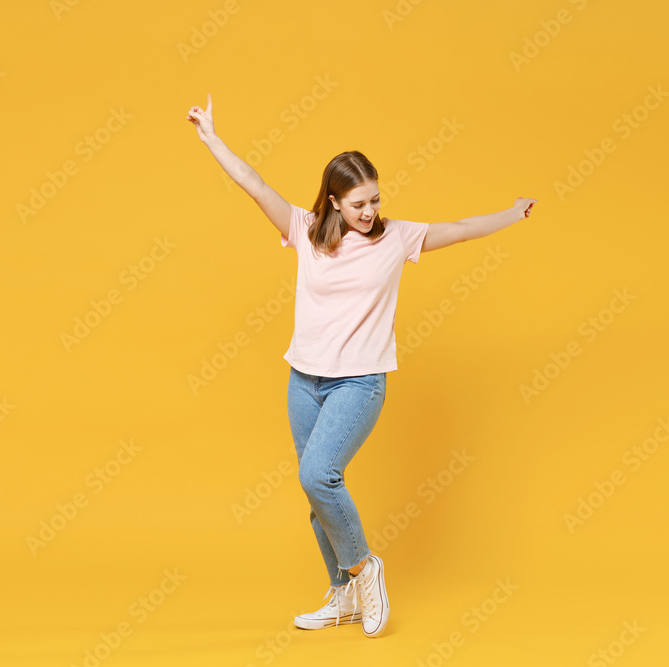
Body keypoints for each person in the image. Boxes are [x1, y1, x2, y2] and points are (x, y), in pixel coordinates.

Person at [186, 93, 536, 638]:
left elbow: (461, 227)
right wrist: (210, 136)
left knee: (317, 474)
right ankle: (344, 595)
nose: (369, 211)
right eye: (357, 204)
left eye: (374, 199)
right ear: (333, 202)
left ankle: (365, 569)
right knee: (316, 493)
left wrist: (511, 214)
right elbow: (253, 183)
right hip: (304, 379)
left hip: (359, 381)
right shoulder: (304, 230)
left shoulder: (396, 238)